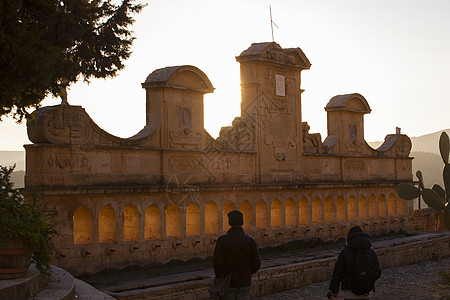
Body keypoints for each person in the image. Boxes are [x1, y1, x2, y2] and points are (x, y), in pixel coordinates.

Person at [212, 210, 261, 300]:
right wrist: (247, 273)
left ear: (230, 222)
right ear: (242, 222)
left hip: (228, 282)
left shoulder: (222, 240)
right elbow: (256, 264)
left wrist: (222, 275)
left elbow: (217, 263)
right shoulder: (250, 241)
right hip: (244, 283)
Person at [328, 226, 381, 300]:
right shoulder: (371, 251)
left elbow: (337, 273)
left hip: (349, 291)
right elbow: (378, 272)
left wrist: (333, 291)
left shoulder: (345, 252)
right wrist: (367, 280)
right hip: (367, 291)